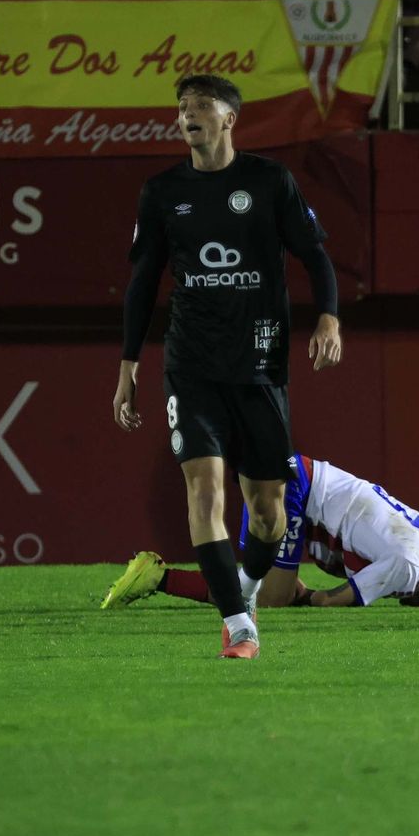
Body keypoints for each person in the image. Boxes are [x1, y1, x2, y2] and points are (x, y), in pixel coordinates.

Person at [114, 74, 343, 660]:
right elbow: (142, 282)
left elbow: (315, 252)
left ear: (229, 118)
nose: (188, 115)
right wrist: (129, 362)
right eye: (182, 108)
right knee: (204, 487)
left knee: (268, 513)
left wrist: (328, 317)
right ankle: (240, 624)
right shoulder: (160, 191)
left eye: (201, 107)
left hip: (261, 365)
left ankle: (242, 587)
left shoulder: (269, 182)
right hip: (190, 364)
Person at [101, 454, 419, 611]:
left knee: (258, 586)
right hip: (296, 487)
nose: (404, 597)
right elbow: (331, 600)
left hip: (299, 480)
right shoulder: (408, 567)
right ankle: (157, 577)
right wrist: (305, 596)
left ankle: (159, 578)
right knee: (270, 597)